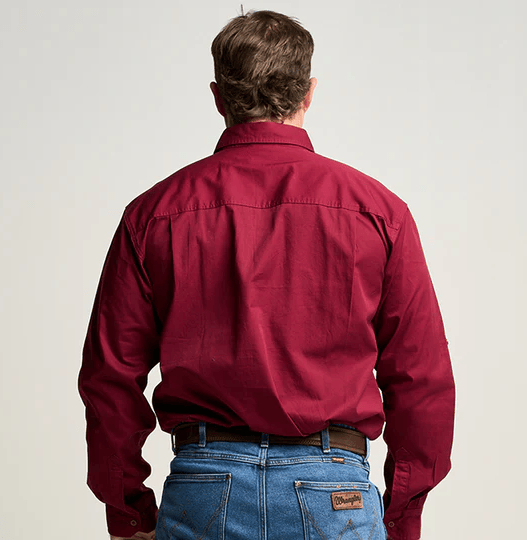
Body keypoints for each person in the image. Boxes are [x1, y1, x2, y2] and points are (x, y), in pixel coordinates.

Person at [78, 8, 455, 540]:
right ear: (309, 92)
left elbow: (109, 377)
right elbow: (422, 378)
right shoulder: (379, 214)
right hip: (334, 491)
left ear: (218, 97)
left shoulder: (154, 214)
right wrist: (400, 515)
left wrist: (129, 512)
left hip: (203, 488)